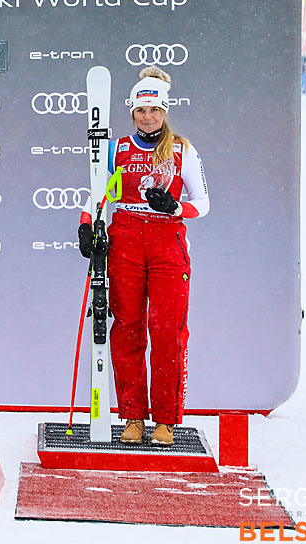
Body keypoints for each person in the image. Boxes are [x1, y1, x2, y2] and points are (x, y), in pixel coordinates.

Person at [78, 66, 209, 446]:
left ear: (165, 111)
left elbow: (203, 203)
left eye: (154, 110)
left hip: (167, 241)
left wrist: (175, 207)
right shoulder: (116, 148)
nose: (147, 117)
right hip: (127, 237)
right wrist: (87, 223)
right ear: (132, 112)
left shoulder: (183, 149)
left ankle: (165, 420)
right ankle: (132, 416)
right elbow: (99, 191)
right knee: (127, 327)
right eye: (140, 111)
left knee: (167, 331)